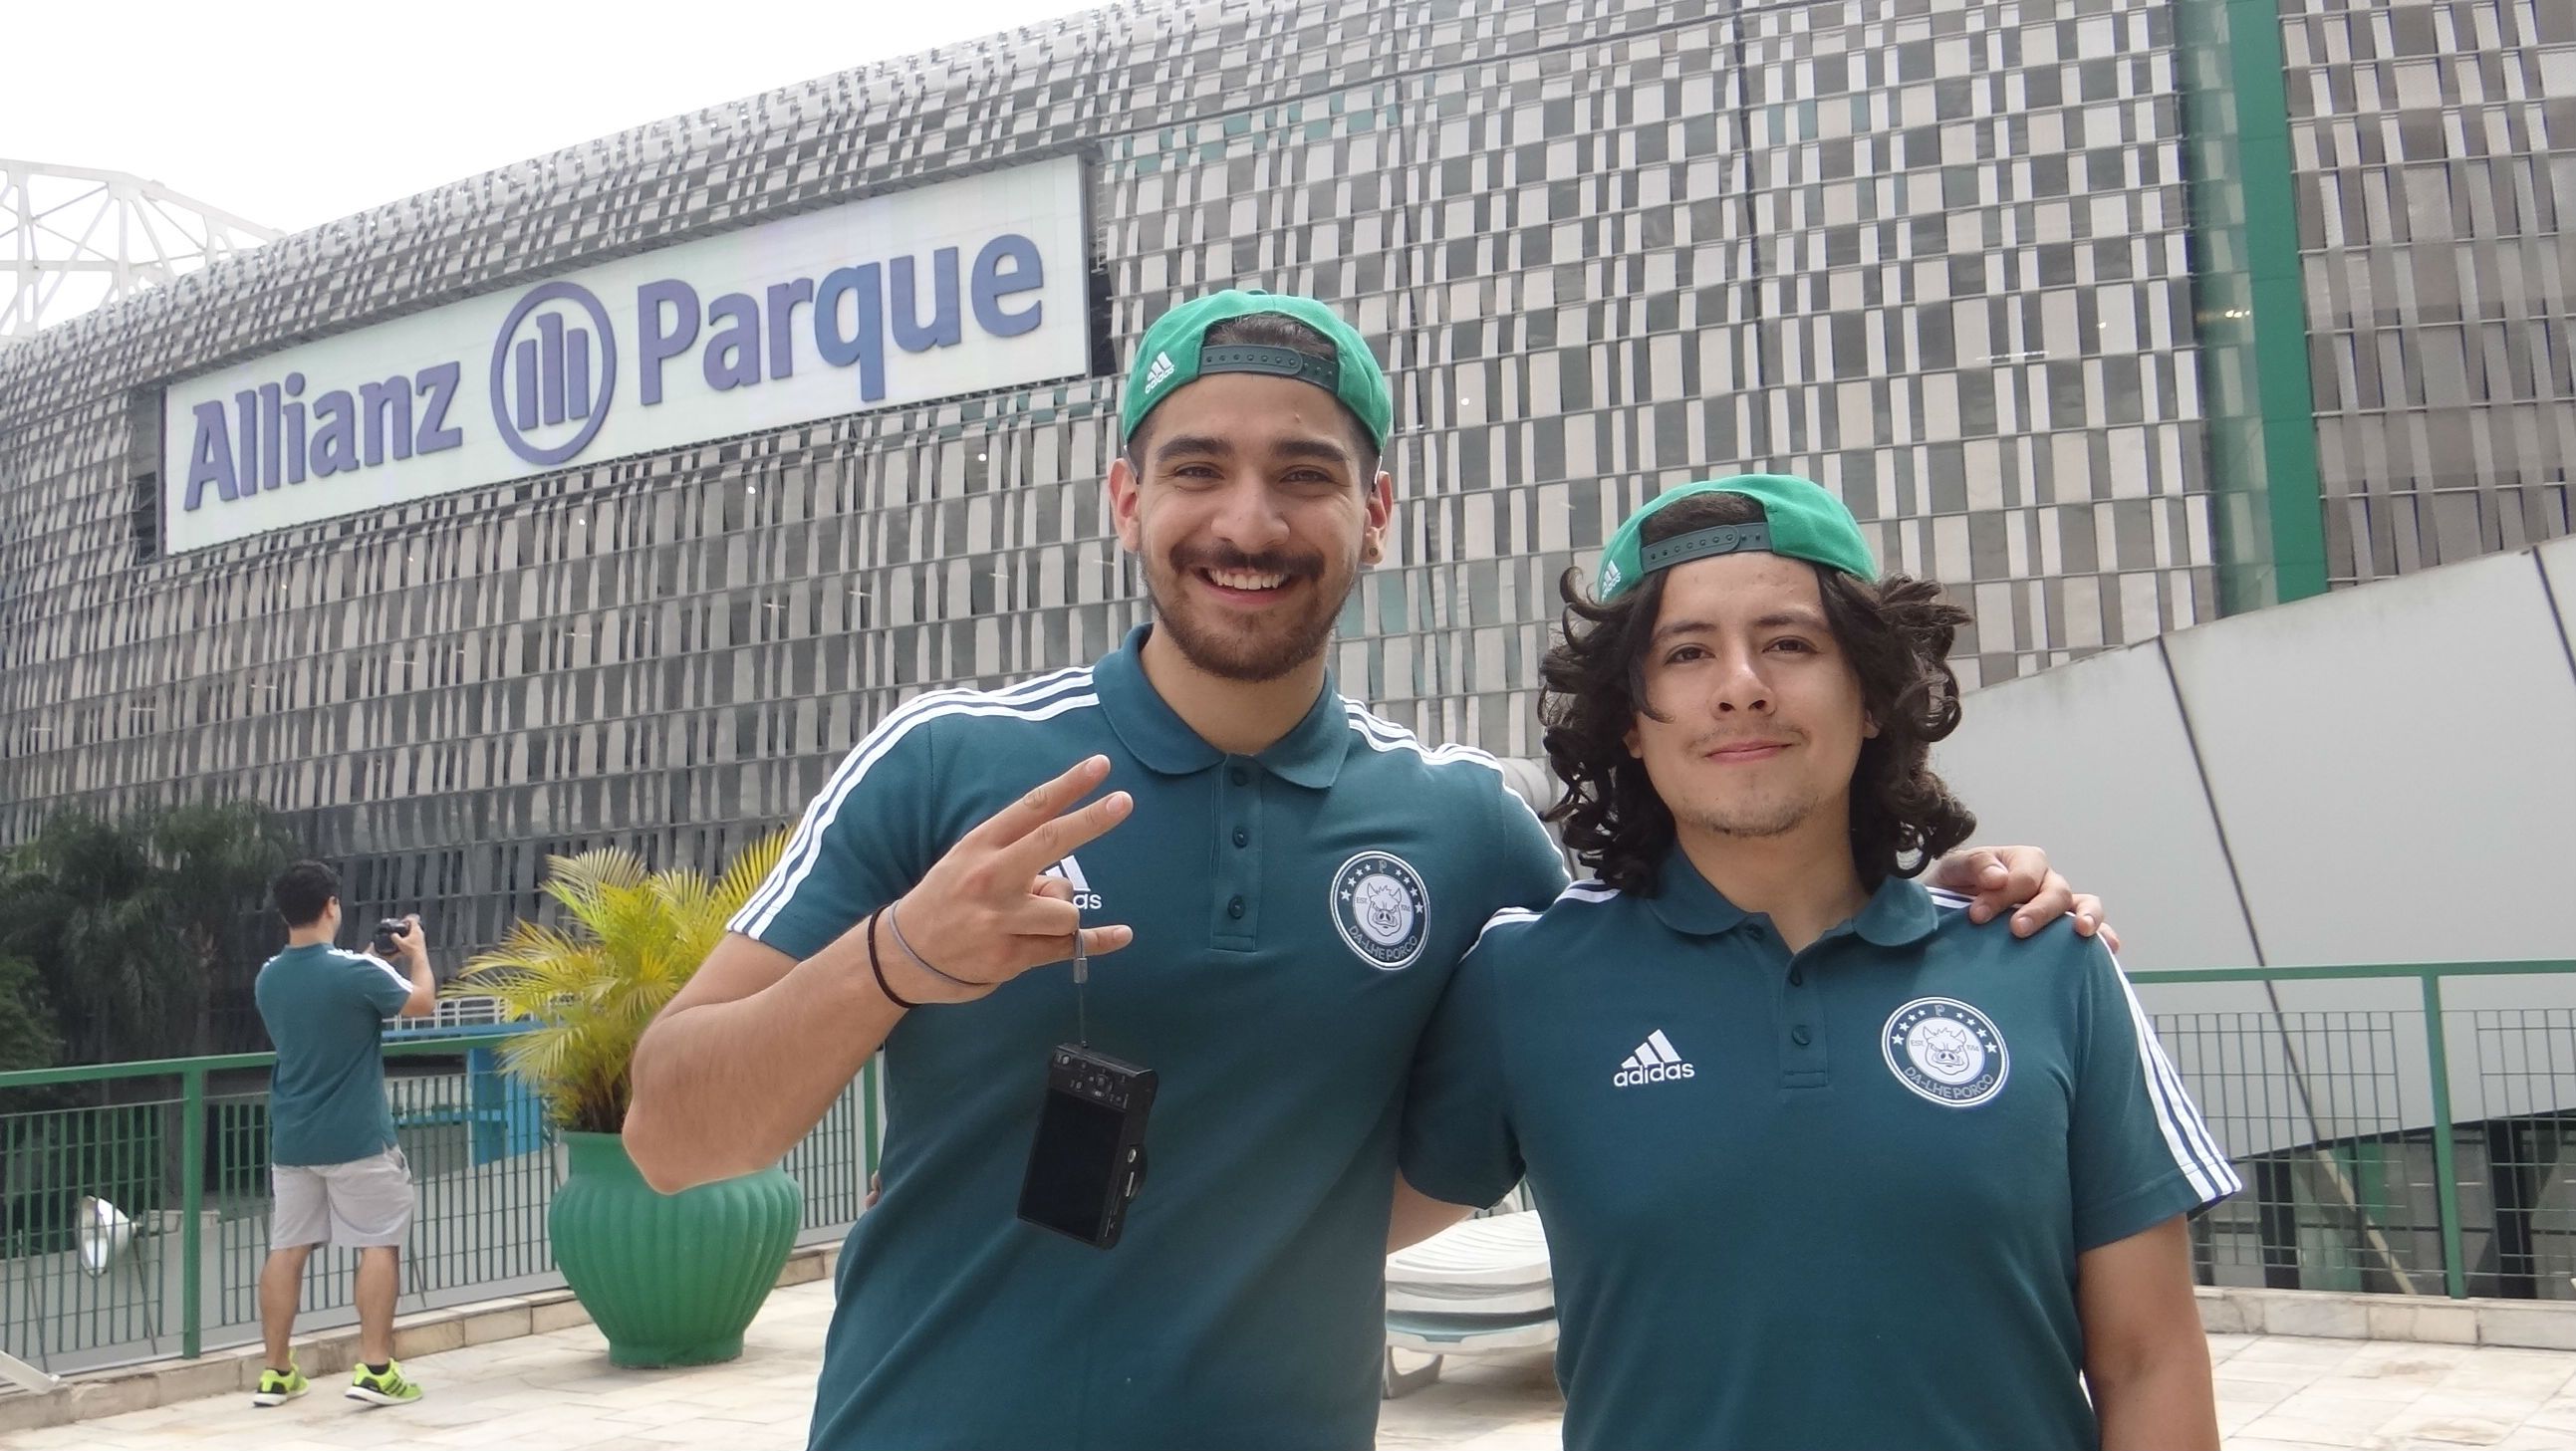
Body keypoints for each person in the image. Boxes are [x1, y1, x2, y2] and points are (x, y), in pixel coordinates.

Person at [623, 291, 2100, 1450]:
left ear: (1375, 515)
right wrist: (893, 959)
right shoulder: (946, 760)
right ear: (1124, 499)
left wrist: (1950, 896)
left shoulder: (1468, 829)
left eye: (1304, 475)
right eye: (1197, 469)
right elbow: (670, 1139)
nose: (1248, 522)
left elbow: (1722, 932)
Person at [1401, 475, 2239, 1451]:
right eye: (1686, 652)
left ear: (1872, 694)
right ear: (1630, 717)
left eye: (1790, 643)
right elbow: (1304, 1223)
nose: (1742, 683)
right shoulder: (1523, 979)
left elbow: (2148, 1359)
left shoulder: (2048, 960)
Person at [249, 860, 436, 1408]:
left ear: (284, 913)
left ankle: (276, 1372)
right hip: (358, 1139)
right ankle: (376, 1369)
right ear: (332, 904)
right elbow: (422, 1002)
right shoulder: (357, 972)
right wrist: (418, 954)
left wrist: (372, 958)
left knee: (286, 1249)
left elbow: (326, 993)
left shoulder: (268, 976)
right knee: (378, 1242)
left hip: (293, 1140)